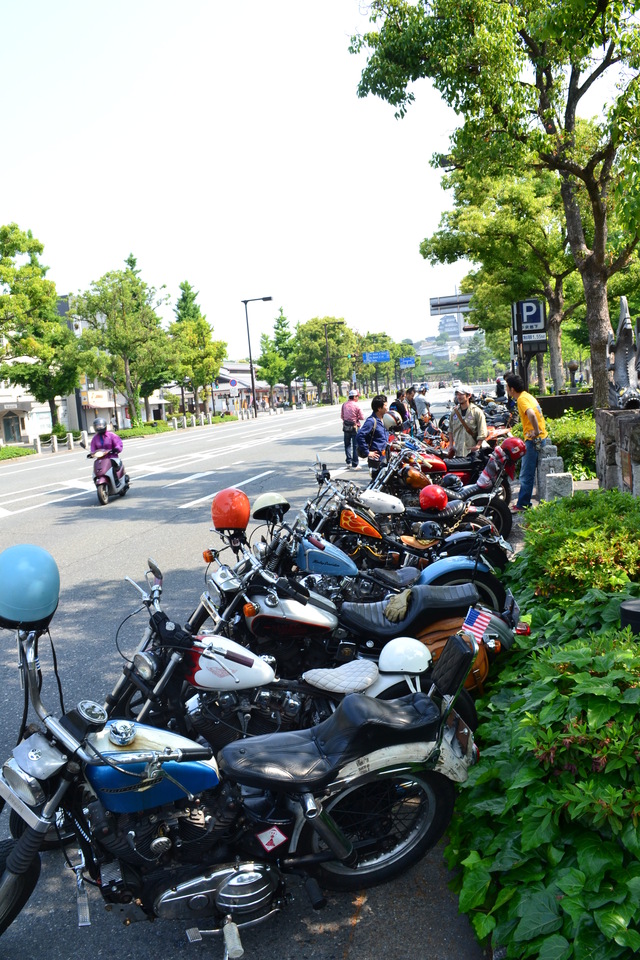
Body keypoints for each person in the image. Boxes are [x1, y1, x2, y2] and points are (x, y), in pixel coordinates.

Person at [505, 374, 548, 512]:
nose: (506, 389)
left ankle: (523, 504)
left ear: (512, 389)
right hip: (539, 438)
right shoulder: (527, 396)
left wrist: (535, 431)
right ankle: (523, 502)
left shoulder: (522, 400)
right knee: (527, 472)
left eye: (507, 387)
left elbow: (531, 414)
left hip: (533, 440)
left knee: (525, 473)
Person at [447, 385, 488, 458]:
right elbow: (450, 429)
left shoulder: (477, 412)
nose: (459, 397)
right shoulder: (454, 412)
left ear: (469, 395)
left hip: (472, 453)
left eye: (461, 394)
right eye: (457, 394)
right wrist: (450, 445)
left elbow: (482, 431)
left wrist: (478, 446)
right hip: (458, 452)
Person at [356, 395, 389, 470]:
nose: (387, 408)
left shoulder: (384, 419)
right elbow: (359, 436)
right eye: (385, 406)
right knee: (377, 480)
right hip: (376, 460)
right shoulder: (371, 421)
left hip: (385, 457)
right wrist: (367, 452)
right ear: (379, 408)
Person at [340, 389, 364, 469]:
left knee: (347, 445)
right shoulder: (357, 406)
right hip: (355, 427)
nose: (358, 398)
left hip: (346, 426)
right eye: (357, 396)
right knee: (355, 445)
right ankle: (355, 464)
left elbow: (342, 416)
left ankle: (348, 462)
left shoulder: (344, 405)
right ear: (354, 397)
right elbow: (362, 417)